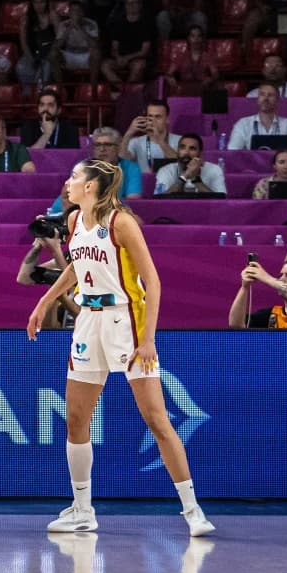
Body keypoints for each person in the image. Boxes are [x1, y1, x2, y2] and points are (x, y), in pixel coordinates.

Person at [26, 158, 212, 535]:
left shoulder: (121, 223)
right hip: (88, 321)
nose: (68, 181)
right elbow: (77, 266)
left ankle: (192, 511)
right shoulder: (76, 220)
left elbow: (153, 283)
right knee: (76, 419)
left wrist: (148, 339)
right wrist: (44, 301)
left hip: (125, 320)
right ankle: (82, 510)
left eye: (74, 176)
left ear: (91, 185)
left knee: (156, 419)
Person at [229, 254, 287, 328]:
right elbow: (236, 325)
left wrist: (266, 278)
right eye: (281, 275)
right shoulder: (271, 314)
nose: (281, 279)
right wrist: (244, 287)